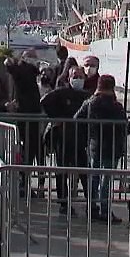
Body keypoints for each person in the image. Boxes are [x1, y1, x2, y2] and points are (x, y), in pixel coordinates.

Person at [72, 75, 129, 223]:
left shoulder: (91, 102)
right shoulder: (116, 106)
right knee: (106, 180)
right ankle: (105, 211)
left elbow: (77, 118)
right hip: (112, 146)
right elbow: (126, 127)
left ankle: (91, 208)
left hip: (95, 144)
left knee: (94, 177)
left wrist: (88, 134)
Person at [41, 65, 92, 215]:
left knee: (84, 171)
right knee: (62, 170)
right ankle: (63, 202)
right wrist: (56, 119)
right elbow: (44, 101)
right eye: (75, 76)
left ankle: (91, 202)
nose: (78, 79)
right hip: (63, 138)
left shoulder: (86, 95)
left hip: (80, 139)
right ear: (68, 78)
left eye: (81, 76)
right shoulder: (61, 93)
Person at [5, 50, 44, 177]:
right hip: (27, 115)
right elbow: (16, 72)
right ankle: (25, 180)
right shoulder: (24, 70)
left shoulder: (29, 71)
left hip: (30, 115)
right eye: (32, 57)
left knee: (31, 150)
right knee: (28, 150)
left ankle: (28, 179)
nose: (35, 59)